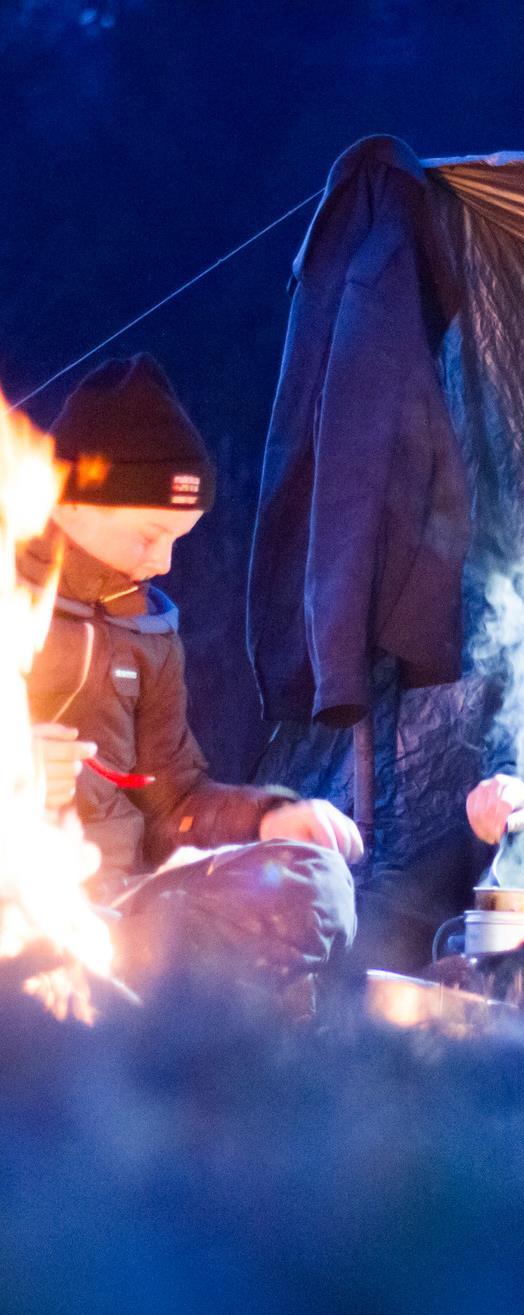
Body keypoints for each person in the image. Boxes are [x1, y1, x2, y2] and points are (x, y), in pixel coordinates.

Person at [25, 355, 362, 1014]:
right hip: (23, 911)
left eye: (178, 538)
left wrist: (270, 817)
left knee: (309, 883)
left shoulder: (146, 629)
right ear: (75, 499)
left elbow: (174, 799)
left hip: (116, 914)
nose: (164, 560)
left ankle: (145, 1009)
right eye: (150, 534)